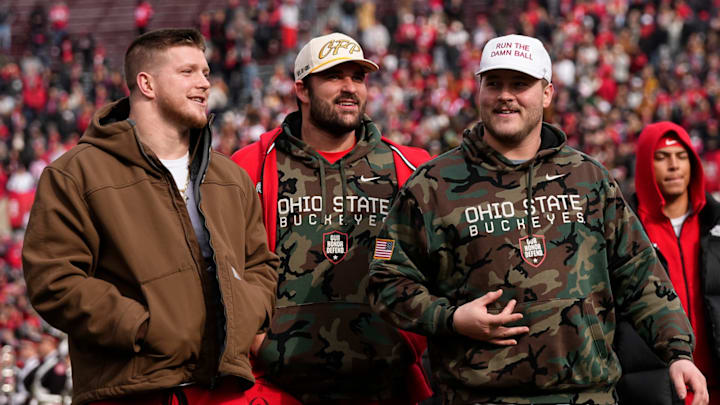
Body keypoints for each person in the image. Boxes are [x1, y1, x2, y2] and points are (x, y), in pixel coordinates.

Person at [367, 34, 709, 405]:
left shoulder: (588, 178)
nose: (505, 95)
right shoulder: (431, 186)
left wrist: (677, 352)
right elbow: (386, 282)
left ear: (547, 93)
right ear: (479, 89)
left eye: (521, 84)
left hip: (585, 395)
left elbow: (640, 273)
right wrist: (450, 319)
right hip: (477, 397)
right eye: (494, 83)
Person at [22, 28, 279, 404]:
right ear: (147, 83)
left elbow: (261, 265)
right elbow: (54, 279)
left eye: (206, 72)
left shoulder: (230, 177)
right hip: (132, 389)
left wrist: (243, 322)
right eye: (188, 72)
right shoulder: (76, 174)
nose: (204, 84)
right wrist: (143, 328)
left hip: (223, 389)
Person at [231, 32, 433, 404]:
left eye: (358, 77)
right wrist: (259, 343)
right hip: (280, 388)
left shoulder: (410, 166)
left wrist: (409, 343)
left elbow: (433, 266)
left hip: (387, 386)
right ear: (302, 89)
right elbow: (226, 270)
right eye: (334, 76)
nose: (349, 88)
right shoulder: (251, 166)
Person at [615, 121, 720, 405]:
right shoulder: (623, 229)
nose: (673, 166)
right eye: (661, 157)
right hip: (653, 390)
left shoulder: (716, 222)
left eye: (681, 156)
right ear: (646, 165)